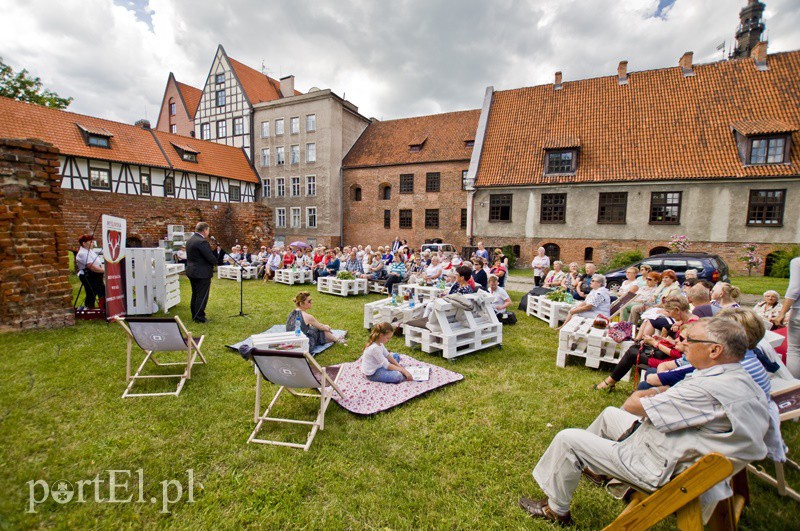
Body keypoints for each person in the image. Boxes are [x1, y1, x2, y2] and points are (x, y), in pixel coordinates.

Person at [520, 317, 769, 526]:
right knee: (610, 414)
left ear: (714, 350)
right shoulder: (739, 378)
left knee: (567, 439)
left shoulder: (706, 389)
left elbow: (634, 403)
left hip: (663, 466)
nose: (682, 344)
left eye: (691, 340)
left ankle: (556, 509)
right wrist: (663, 393)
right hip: (687, 454)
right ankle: (596, 470)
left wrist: (658, 392)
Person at [593, 296, 694, 390]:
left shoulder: (692, 326)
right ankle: (611, 382)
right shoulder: (687, 322)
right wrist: (663, 339)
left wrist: (655, 343)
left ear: (677, 309)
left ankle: (609, 382)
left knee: (632, 353)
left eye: (668, 311)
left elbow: (679, 354)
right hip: (671, 358)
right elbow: (679, 344)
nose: (669, 315)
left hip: (674, 362)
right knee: (634, 349)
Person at [186, 222, 217, 323]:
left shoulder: (190, 240)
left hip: (192, 270)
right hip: (201, 272)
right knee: (202, 295)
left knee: (195, 294)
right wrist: (215, 258)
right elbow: (210, 258)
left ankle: (194, 315)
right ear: (205, 230)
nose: (208, 232)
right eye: (208, 230)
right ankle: (199, 317)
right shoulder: (202, 242)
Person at [777, 257, 800, 377]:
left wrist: (782, 313)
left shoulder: (797, 262)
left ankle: (795, 384)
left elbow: (794, 289)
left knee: (795, 350)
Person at [75, 234, 105, 310]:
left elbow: (99, 263)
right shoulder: (82, 253)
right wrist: (105, 271)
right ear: (84, 243)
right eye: (90, 242)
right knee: (91, 293)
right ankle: (89, 308)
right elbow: (92, 267)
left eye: (92, 242)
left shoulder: (90, 251)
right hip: (88, 275)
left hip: (96, 275)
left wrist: (102, 270)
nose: (92, 244)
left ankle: (103, 307)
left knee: (102, 291)